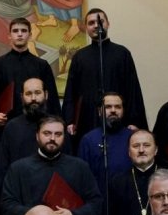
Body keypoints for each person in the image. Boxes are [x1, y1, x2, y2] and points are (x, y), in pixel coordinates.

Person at [0, 115, 102, 215]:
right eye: (47, 133)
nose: (52, 138)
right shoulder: (18, 169)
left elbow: (96, 202)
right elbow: (7, 205)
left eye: (58, 134)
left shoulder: (79, 167)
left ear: (64, 137)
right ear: (37, 136)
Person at [63, 8, 147, 140]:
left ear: (108, 24)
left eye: (100, 21)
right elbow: (71, 92)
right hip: (88, 120)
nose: (96, 25)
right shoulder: (80, 57)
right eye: (91, 23)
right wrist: (70, 120)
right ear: (86, 28)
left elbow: (133, 90)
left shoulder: (122, 53)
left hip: (119, 121)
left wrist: (134, 121)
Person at [0, 17, 60, 147]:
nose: (20, 34)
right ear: (9, 36)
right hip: (5, 129)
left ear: (30, 35)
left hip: (36, 130)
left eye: (24, 30)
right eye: (15, 31)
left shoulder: (42, 65)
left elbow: (53, 102)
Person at [0, 77, 50, 177]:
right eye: (28, 94)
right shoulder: (11, 127)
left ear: (46, 95)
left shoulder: (57, 127)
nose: (33, 98)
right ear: (22, 97)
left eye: (37, 93)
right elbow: (3, 168)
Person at [77, 91, 134, 187]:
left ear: (123, 111)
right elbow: (82, 176)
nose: (113, 110)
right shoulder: (88, 140)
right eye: (108, 107)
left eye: (118, 107)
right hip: (99, 197)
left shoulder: (133, 137)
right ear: (99, 111)